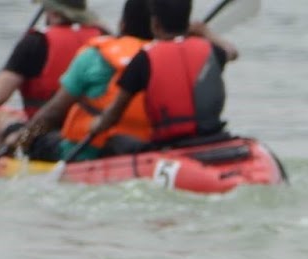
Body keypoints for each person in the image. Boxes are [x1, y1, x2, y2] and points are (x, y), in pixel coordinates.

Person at [15, 0, 239, 161]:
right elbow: (230, 52)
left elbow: (53, 114)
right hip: (158, 144)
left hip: (93, 149)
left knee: (30, 137)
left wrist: (22, 139)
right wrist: (203, 32)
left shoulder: (138, 59)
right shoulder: (205, 52)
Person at [83, 0, 232, 151]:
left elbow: (113, 115)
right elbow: (231, 52)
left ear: (154, 24)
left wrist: (95, 125)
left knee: (114, 141)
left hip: (169, 144)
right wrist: (205, 32)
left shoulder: (144, 58)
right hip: (214, 136)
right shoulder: (211, 51)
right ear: (188, 23)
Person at [0, 2, 107, 123]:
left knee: (4, 121)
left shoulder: (35, 41)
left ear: (53, 13)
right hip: (92, 124)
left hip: (44, 126)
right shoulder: (103, 37)